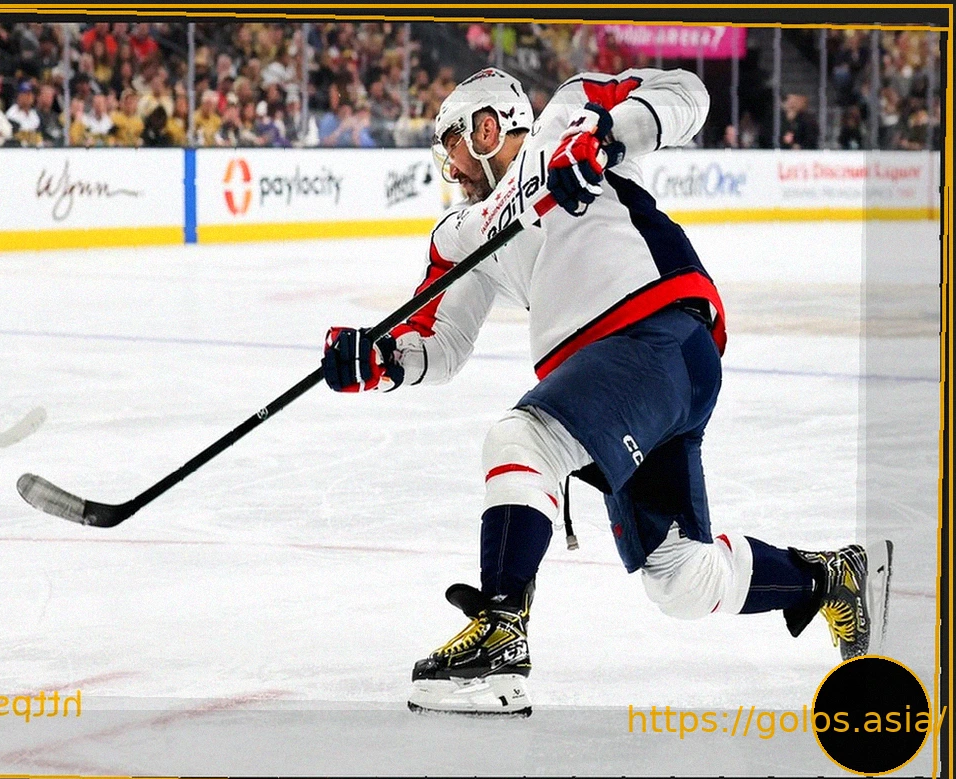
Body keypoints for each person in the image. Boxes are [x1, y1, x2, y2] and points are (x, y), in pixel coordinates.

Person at [320, 67, 893, 716]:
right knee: (680, 577)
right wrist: (378, 359)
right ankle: (833, 579)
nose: (448, 165)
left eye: (452, 142)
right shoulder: (463, 233)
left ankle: (501, 636)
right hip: (624, 387)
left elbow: (689, 95)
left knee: (524, 439)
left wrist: (606, 136)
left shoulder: (569, 115)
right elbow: (441, 344)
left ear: (486, 127)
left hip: (655, 336)